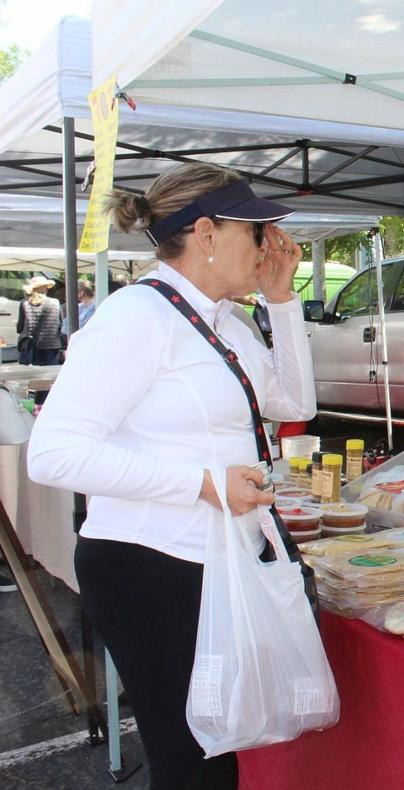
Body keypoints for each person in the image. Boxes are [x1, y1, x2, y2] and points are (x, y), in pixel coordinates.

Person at [27, 163, 314, 789]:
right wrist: (203, 484)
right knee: (192, 765)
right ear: (207, 234)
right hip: (150, 568)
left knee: (216, 754)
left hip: (212, 563)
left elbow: (293, 403)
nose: (267, 246)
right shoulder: (135, 315)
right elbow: (53, 452)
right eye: (256, 230)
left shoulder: (225, 321)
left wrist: (283, 301)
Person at [16, 275, 63, 366]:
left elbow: (20, 328)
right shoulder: (55, 302)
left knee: (32, 376)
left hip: (31, 346)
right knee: (51, 375)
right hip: (52, 345)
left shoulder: (24, 303)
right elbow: (60, 324)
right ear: (46, 288)